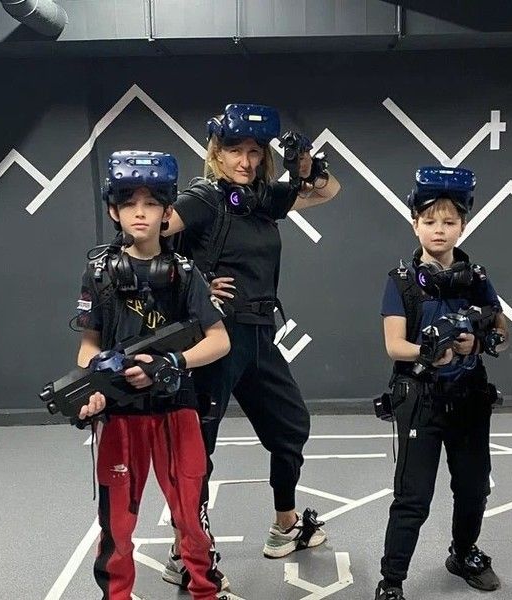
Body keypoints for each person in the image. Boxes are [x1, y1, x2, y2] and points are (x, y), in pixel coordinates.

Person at [159, 103, 342, 589]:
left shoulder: (262, 200)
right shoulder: (204, 198)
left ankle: (286, 526)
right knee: (198, 445)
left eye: (254, 152)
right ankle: (185, 548)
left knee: (291, 426)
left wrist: (307, 169)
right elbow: (148, 231)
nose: (244, 161)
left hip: (260, 333)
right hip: (217, 337)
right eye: (235, 150)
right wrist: (193, 281)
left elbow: (328, 191)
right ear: (216, 153)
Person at [75, 151, 231, 600]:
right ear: (114, 211)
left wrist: (173, 363)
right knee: (117, 525)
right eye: (129, 203)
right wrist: (93, 386)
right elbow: (89, 344)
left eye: (151, 203)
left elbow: (219, 341)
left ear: (167, 211)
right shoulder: (99, 274)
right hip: (120, 415)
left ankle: (205, 590)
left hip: (176, 410)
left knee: (189, 516)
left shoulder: (185, 274)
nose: (140, 213)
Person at [375, 167, 508, 600]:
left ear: (462, 226)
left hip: (469, 397)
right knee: (413, 496)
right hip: (421, 398)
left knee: (473, 486)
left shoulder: (477, 278)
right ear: (414, 224)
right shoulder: (400, 282)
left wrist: (477, 343)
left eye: (449, 221)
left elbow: (502, 333)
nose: (439, 229)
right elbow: (395, 346)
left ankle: (463, 553)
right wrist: (429, 352)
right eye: (430, 221)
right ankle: (392, 580)